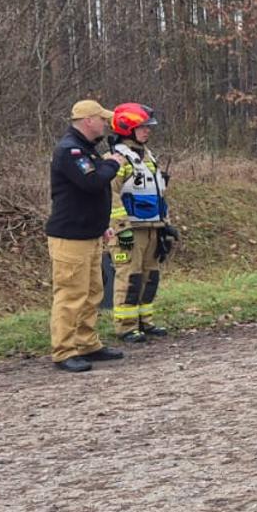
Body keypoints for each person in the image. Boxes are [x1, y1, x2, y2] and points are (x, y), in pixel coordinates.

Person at [47, 99, 128, 373]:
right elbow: (91, 182)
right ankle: (64, 350)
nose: (105, 124)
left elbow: (93, 193)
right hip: (70, 236)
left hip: (90, 233)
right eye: (102, 119)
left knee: (93, 292)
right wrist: (113, 163)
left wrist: (102, 224)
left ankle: (87, 342)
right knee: (71, 295)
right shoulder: (70, 151)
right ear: (88, 121)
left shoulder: (87, 150)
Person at [107, 103, 174, 343]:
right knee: (130, 277)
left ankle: (145, 321)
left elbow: (159, 193)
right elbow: (111, 195)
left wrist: (166, 225)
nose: (147, 131)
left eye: (148, 127)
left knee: (150, 277)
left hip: (152, 228)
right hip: (130, 231)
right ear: (127, 128)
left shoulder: (148, 157)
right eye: (142, 127)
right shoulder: (117, 159)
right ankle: (125, 326)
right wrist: (121, 229)